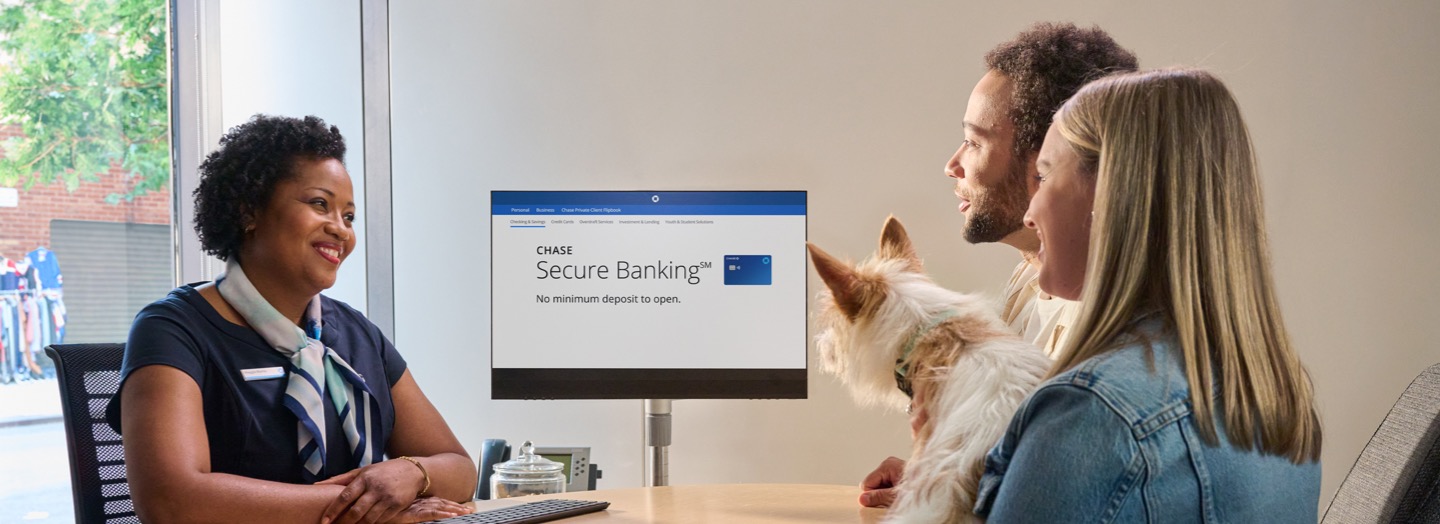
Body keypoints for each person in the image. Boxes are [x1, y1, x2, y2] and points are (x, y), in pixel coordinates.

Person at [975, 68, 1322, 520]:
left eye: (1044, 176)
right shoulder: (1274, 395)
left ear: (1111, 194)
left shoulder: (1092, 413)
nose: (1030, 212)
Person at [106, 115, 476, 523]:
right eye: (320, 204)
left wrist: (411, 473)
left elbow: (459, 469)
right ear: (250, 210)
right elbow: (171, 501)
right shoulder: (173, 330)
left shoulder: (356, 334)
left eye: (349, 216)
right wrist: (370, 511)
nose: (340, 229)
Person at [860, 22, 1138, 508]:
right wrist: (951, 477)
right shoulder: (1031, 281)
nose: (953, 164)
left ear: (1047, 158)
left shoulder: (1111, 344)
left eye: (974, 141)